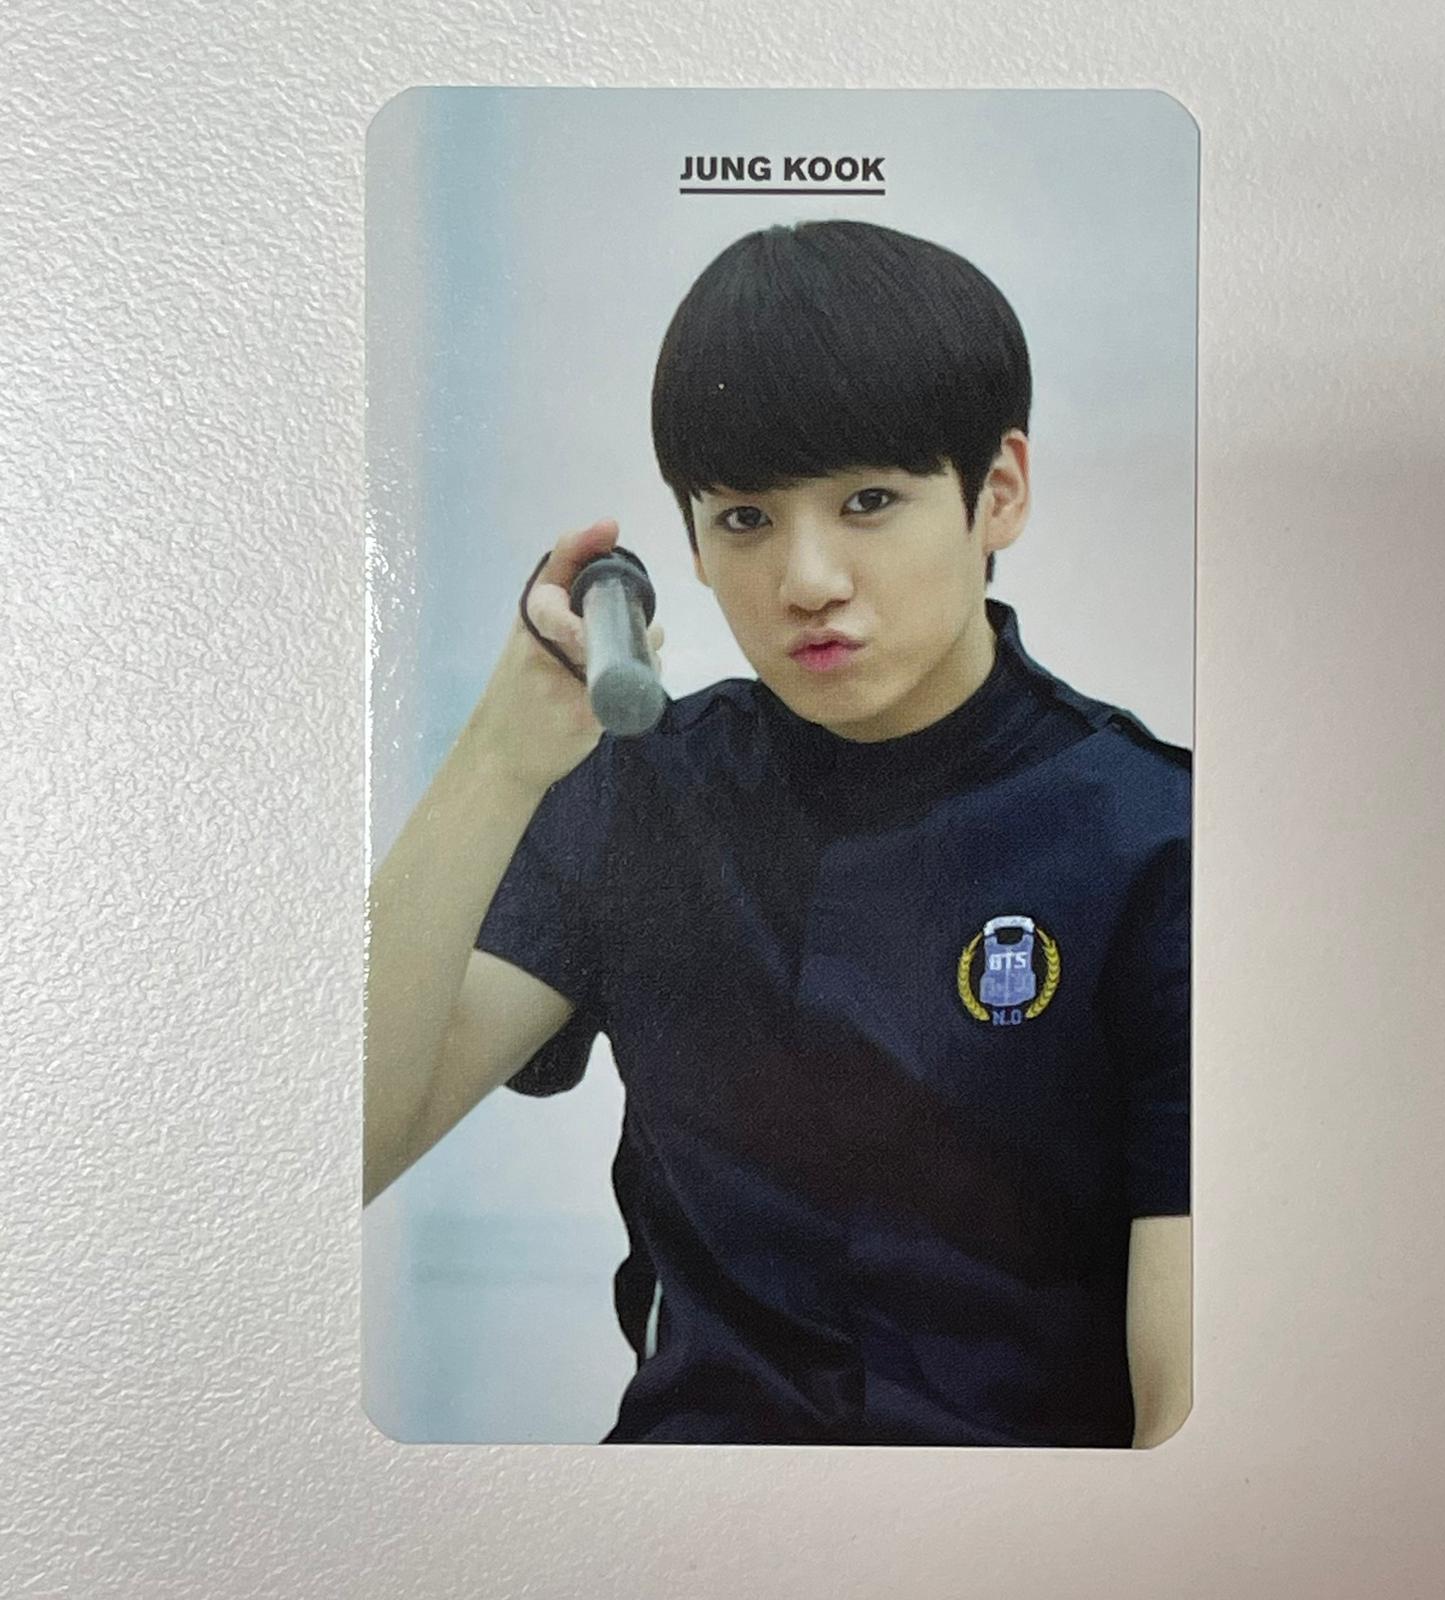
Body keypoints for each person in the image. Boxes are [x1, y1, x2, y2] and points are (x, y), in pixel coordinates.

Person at [365, 219, 1191, 1448]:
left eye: (869, 501)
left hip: (1023, 1533)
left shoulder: (1158, 840)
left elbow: (1183, 1407)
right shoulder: (637, 790)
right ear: (691, 543)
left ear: (999, 492)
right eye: (746, 518)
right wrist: (498, 761)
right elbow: (339, 1147)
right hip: (679, 1518)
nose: (807, 580)